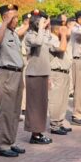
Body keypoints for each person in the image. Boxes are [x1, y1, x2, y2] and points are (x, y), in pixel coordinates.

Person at [0, 4, 27, 157]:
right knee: (6, 111)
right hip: (6, 74)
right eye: (13, 17)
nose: (16, 20)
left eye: (17, 16)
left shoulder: (13, 33)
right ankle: (3, 145)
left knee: (14, 111)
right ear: (5, 17)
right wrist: (4, 23)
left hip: (17, 74)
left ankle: (11, 141)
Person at [23, 11, 53, 144]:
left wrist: (47, 27)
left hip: (43, 73)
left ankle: (39, 132)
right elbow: (39, 43)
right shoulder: (30, 35)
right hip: (34, 74)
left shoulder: (43, 33)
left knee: (42, 105)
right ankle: (34, 134)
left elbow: (47, 50)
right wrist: (42, 27)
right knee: (34, 106)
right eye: (41, 21)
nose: (44, 23)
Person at [48, 17, 72, 135]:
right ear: (57, 30)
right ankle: (54, 125)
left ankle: (60, 122)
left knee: (63, 100)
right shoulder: (51, 39)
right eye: (63, 29)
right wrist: (63, 34)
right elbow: (61, 49)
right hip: (56, 73)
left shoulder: (59, 38)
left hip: (64, 73)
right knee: (56, 100)